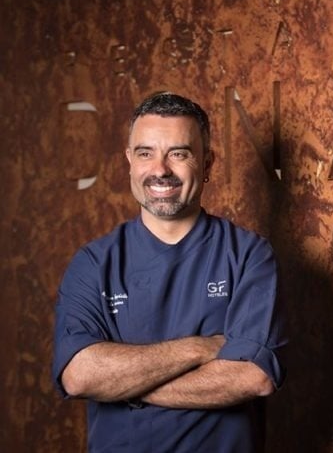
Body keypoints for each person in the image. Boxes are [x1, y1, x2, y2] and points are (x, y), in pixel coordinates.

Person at [52, 93, 287, 452]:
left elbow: (251, 377)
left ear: (207, 164)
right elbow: (79, 375)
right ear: (130, 162)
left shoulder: (248, 256)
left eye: (179, 153)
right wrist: (201, 348)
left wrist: (122, 384)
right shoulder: (94, 263)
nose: (160, 169)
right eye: (145, 153)